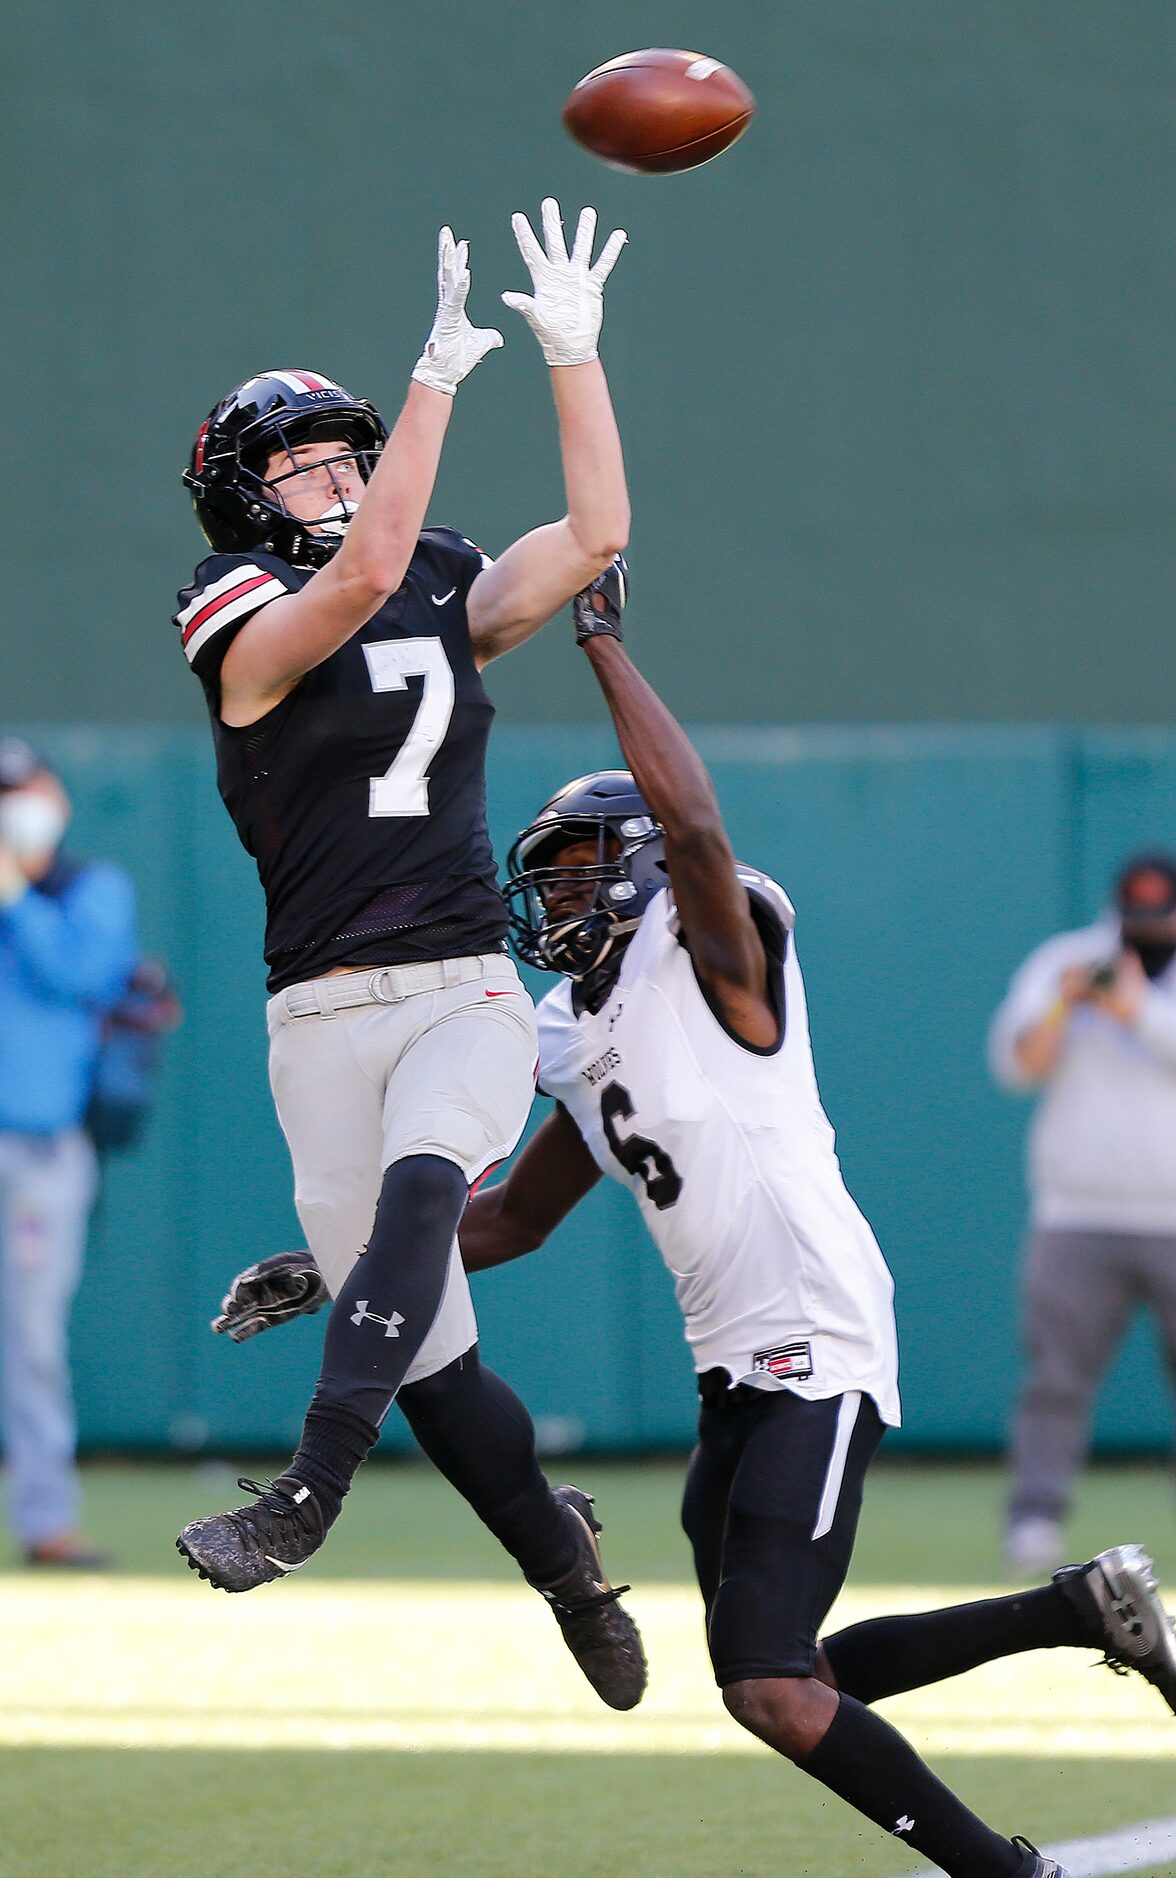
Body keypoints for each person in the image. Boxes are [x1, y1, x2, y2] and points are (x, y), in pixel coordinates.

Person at [453, 566, 1176, 1878]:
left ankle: (1006, 1872)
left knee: (773, 1685)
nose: (552, 902)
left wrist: (604, 643)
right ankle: (1079, 1607)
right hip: (730, 1369)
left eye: (574, 872)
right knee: (785, 1671)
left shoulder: (714, 943)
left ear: (639, 871)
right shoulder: (583, 1028)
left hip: (813, 1335)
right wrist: (353, 1263)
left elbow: (698, 824)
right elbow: (509, 1220)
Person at [168, 201, 645, 1711]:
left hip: (458, 980)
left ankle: (303, 1493)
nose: (332, 469)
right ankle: (563, 1563)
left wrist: (573, 357)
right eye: (297, 457)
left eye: (343, 445)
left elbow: (593, 538)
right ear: (242, 499)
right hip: (316, 1011)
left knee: (430, 1185)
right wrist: (435, 374)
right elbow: (359, 582)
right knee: (442, 1376)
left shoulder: (433, 564)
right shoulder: (231, 608)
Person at [989, 851, 1176, 1575]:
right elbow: (1016, 1065)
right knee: (1054, 1380)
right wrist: (1069, 1003)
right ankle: (1034, 1519)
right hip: (1076, 1215)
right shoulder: (1068, 960)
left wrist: (1139, 1011)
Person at [0, 736, 139, 1566]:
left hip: (42, 1150)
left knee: (33, 1340)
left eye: (20, 789)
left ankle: (47, 1521)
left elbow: (87, 974)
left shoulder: (88, 889)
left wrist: (14, 893)